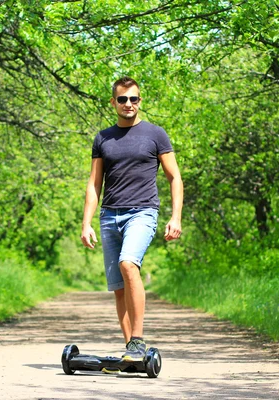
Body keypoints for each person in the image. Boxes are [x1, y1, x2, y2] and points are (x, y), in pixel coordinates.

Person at [80, 76, 183, 362]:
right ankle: (131, 352)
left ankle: (138, 339)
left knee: (128, 263)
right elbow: (94, 184)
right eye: (122, 99)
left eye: (133, 99)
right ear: (113, 102)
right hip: (109, 214)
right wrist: (86, 222)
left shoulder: (155, 134)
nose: (128, 104)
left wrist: (176, 217)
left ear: (140, 101)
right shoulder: (103, 138)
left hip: (142, 211)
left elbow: (174, 177)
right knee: (118, 286)